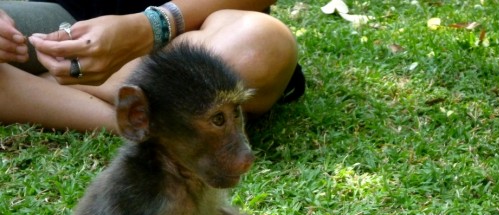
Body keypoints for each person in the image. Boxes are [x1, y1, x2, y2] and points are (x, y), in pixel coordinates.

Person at [0, 1, 304, 132]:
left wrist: (152, 26)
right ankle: (150, 121)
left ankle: (43, 87)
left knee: (258, 48)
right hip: (65, 19)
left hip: (199, 27)